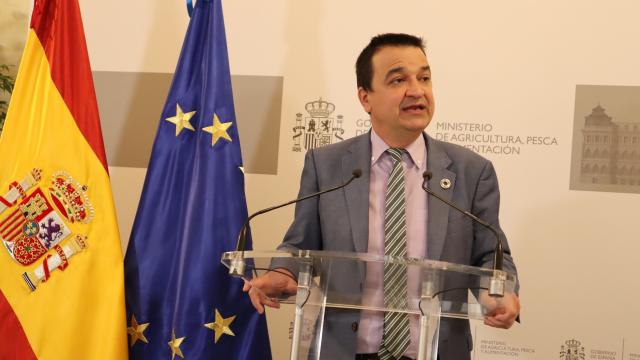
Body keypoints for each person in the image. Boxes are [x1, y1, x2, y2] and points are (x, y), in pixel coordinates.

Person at [243, 33, 520, 360]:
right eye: (399, 79)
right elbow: (300, 244)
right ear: (365, 98)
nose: (417, 90)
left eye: (425, 77)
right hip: (345, 351)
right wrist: (283, 272)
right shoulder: (327, 166)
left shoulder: (472, 171)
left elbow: (493, 254)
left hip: (436, 351)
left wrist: (498, 292)